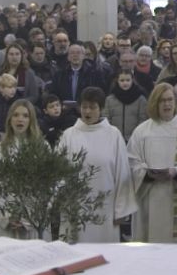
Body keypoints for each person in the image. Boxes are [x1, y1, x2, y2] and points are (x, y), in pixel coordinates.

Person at [126, 83, 177, 244]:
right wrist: (146, 173)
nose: (167, 104)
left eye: (170, 100)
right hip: (150, 196)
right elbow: (131, 162)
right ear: (154, 103)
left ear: (175, 102)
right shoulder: (142, 131)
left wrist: (176, 172)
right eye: (162, 100)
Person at [57, 88, 136, 242]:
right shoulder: (69, 135)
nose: (87, 111)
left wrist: (121, 211)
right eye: (84, 106)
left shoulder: (113, 135)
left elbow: (122, 173)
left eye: (93, 107)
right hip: (75, 207)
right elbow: (59, 171)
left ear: (101, 109)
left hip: (105, 210)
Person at [0, 98, 46, 239]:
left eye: (25, 115)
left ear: (31, 120)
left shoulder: (42, 148)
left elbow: (47, 187)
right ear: (10, 119)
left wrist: (28, 218)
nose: (20, 119)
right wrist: (5, 217)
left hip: (32, 221)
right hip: (6, 221)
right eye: (16, 115)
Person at [103, 69, 147, 141]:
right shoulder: (110, 99)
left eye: (128, 80)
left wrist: (136, 135)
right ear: (117, 80)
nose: (125, 83)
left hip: (134, 139)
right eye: (122, 80)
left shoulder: (140, 99)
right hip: (114, 138)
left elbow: (143, 118)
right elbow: (106, 118)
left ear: (132, 80)